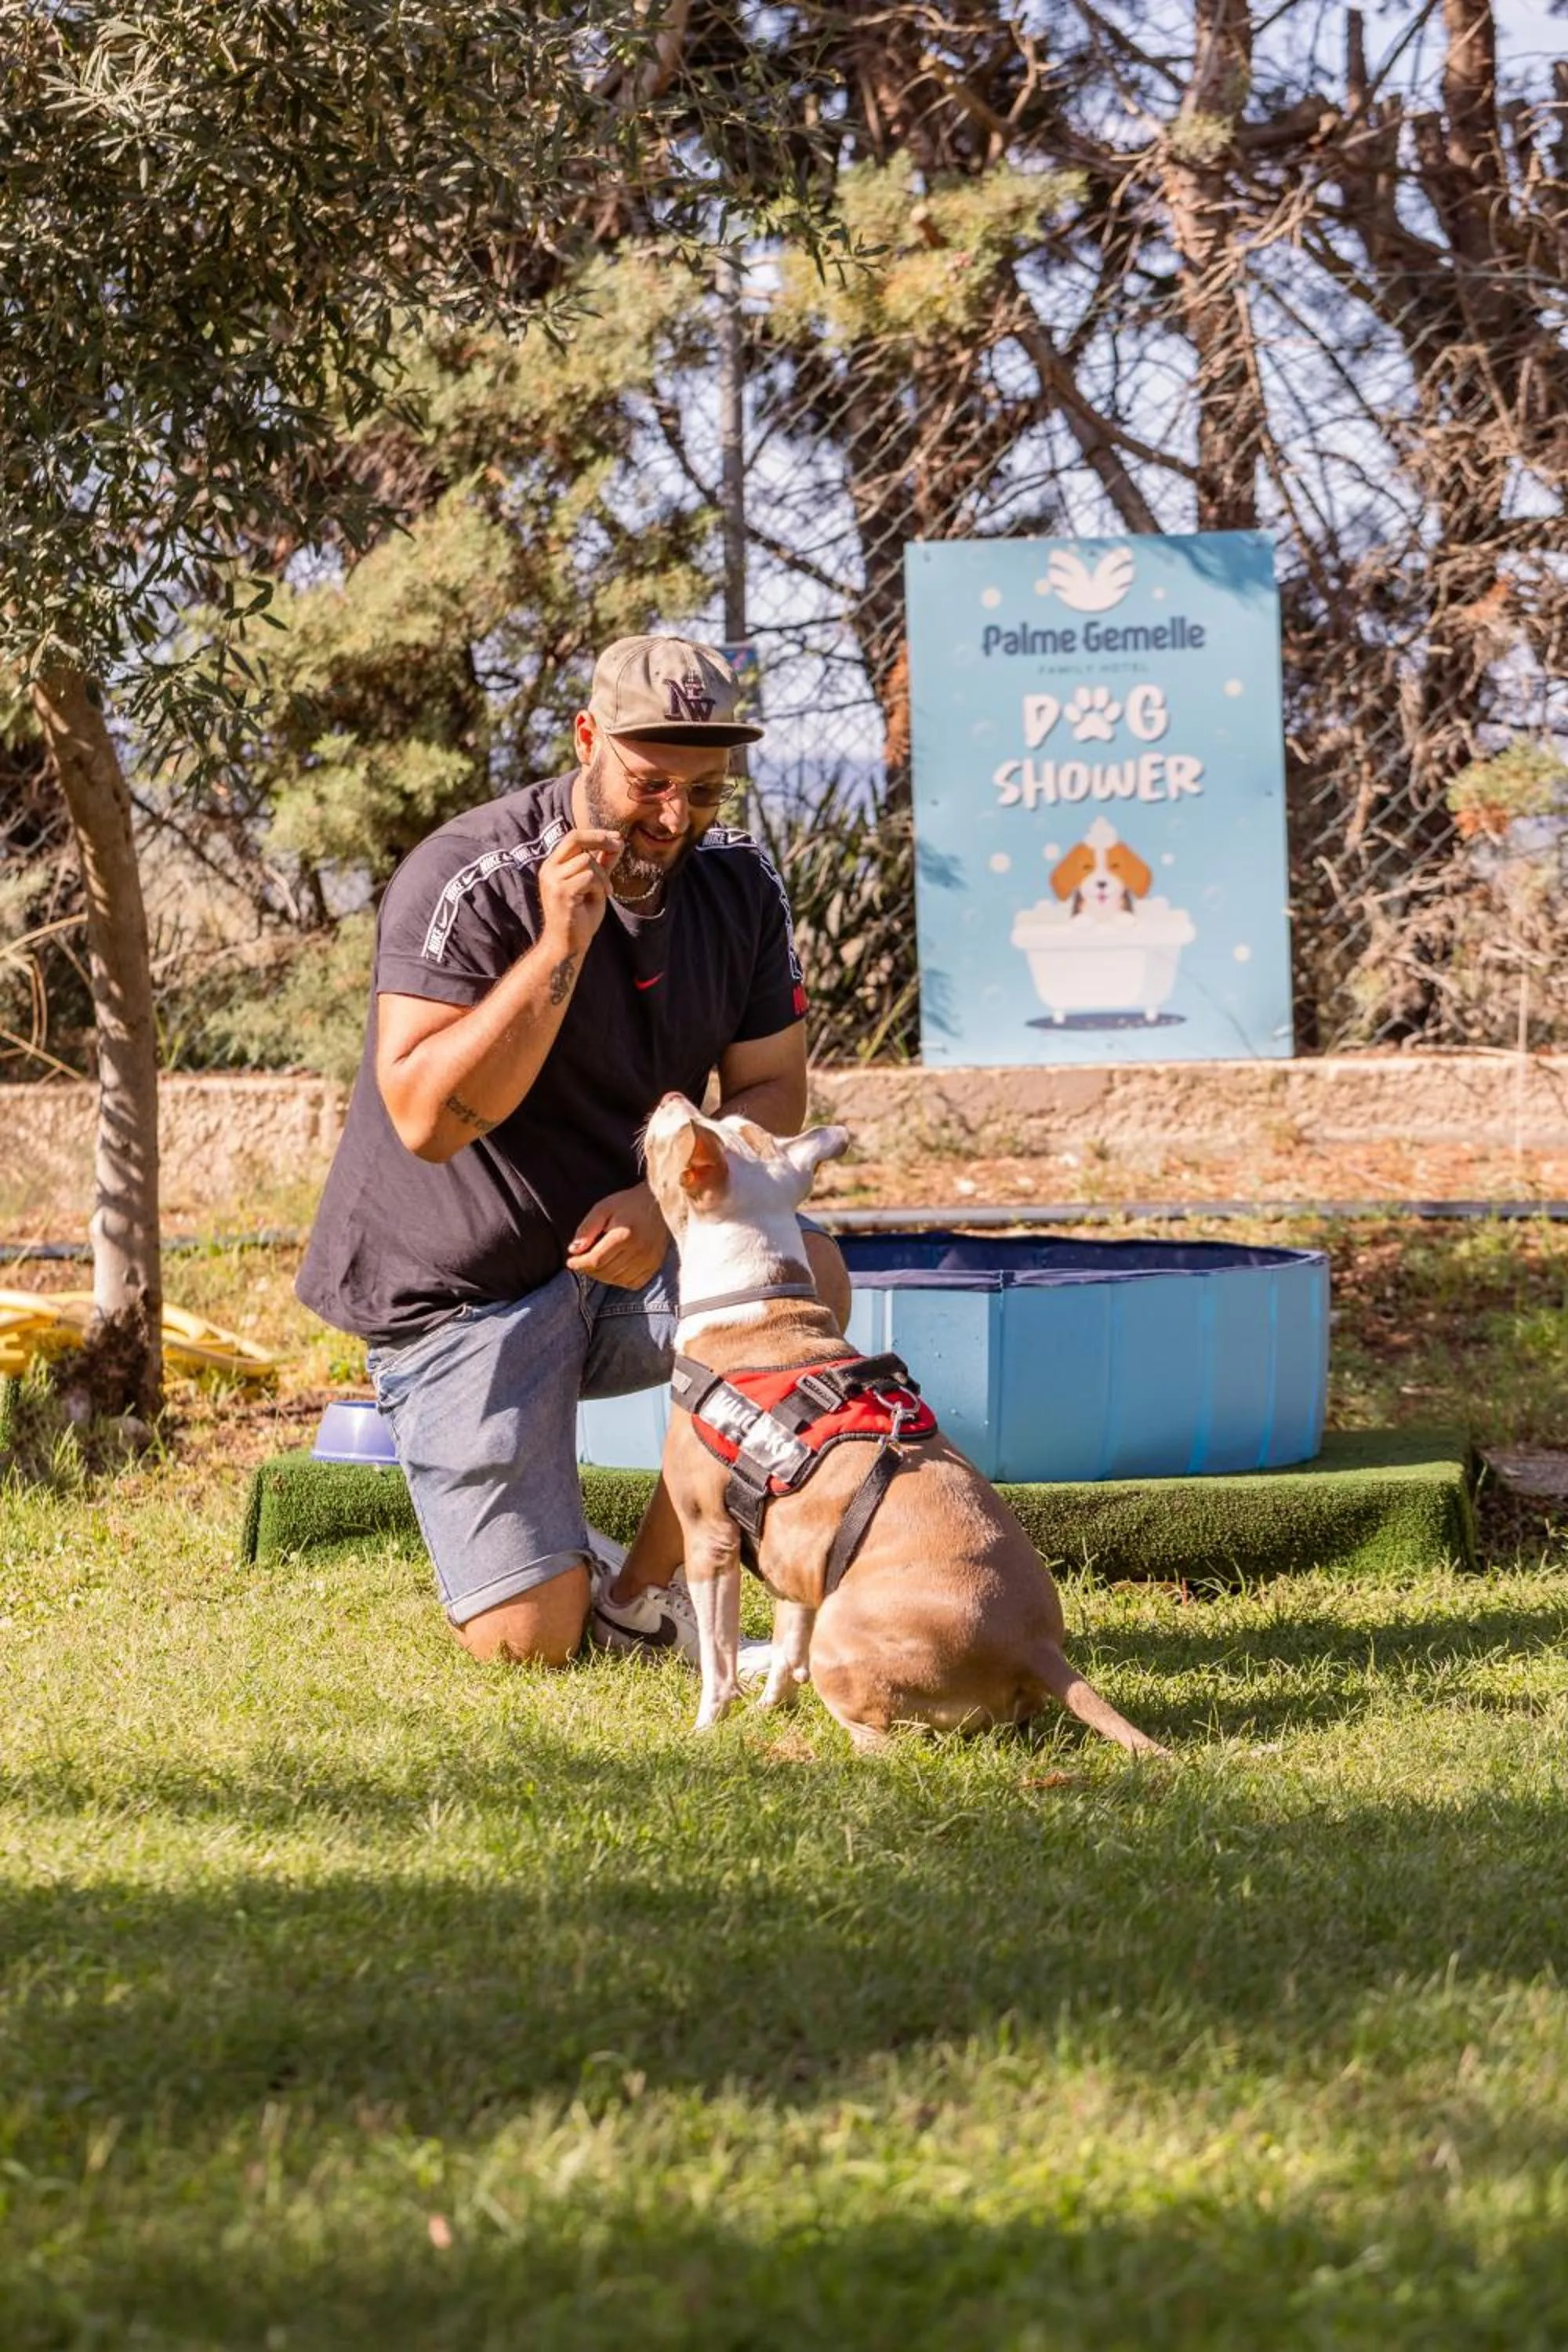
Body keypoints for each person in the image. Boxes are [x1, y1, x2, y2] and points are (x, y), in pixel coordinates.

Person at [296, 635, 851, 1666]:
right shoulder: (467, 876)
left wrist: (667, 1202)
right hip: (462, 1295)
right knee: (526, 1643)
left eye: (704, 789)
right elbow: (426, 1119)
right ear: (588, 740)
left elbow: (774, 1088)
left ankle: (646, 1588)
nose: (676, 817)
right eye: (650, 782)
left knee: (806, 1271)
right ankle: (553, 1572)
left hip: (626, 1261)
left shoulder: (738, 879)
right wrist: (560, 945)